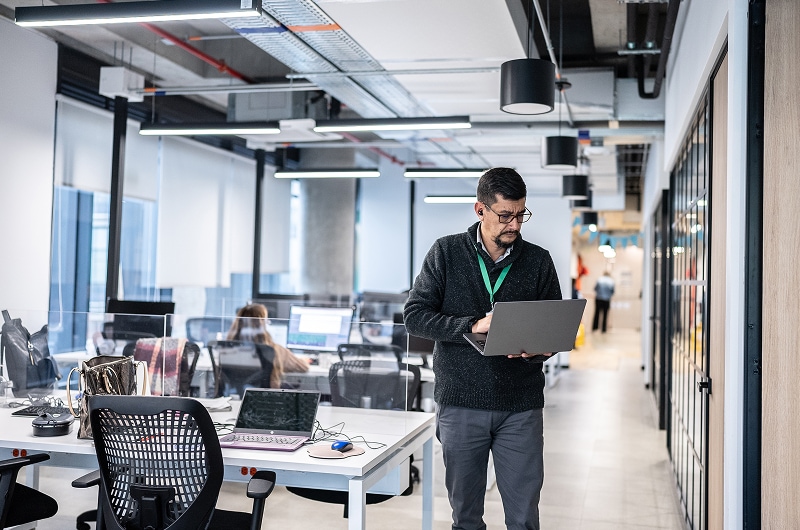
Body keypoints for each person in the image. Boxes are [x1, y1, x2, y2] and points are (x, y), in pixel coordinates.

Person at [404, 167, 562, 530]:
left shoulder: (538, 260)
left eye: (520, 214)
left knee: (523, 518)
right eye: (505, 215)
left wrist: (540, 350)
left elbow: (552, 327)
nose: (515, 225)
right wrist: (471, 325)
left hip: (520, 405)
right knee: (466, 517)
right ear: (480, 210)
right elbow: (415, 316)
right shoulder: (446, 252)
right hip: (460, 403)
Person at [226, 303, 309, 388]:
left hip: (233, 399)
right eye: (266, 321)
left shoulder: (226, 350)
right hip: (265, 399)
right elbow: (303, 367)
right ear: (262, 325)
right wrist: (304, 360)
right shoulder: (274, 350)